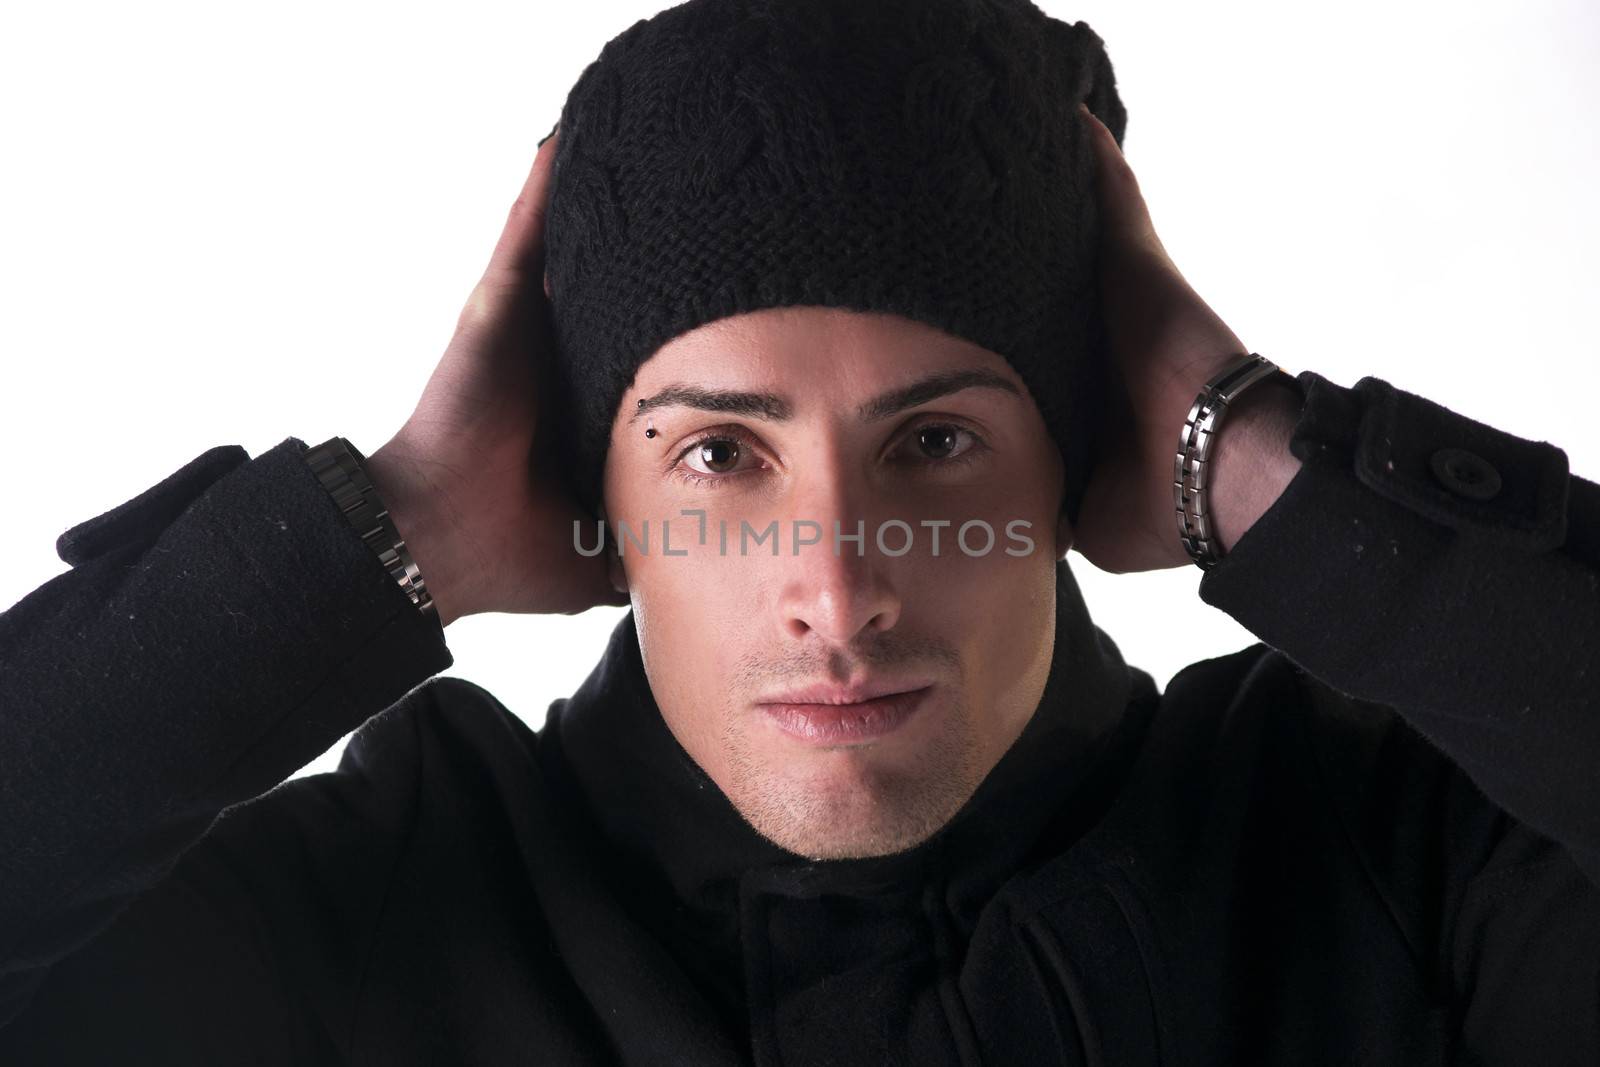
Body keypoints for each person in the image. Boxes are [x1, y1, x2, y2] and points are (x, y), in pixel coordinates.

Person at [2, 1, 1596, 1063]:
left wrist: (1255, 462)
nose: (836, 591)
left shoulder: (1385, 843)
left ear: (1080, 456)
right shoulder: (380, 909)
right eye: (716, 452)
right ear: (584, 487)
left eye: (937, 441)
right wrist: (376, 533)